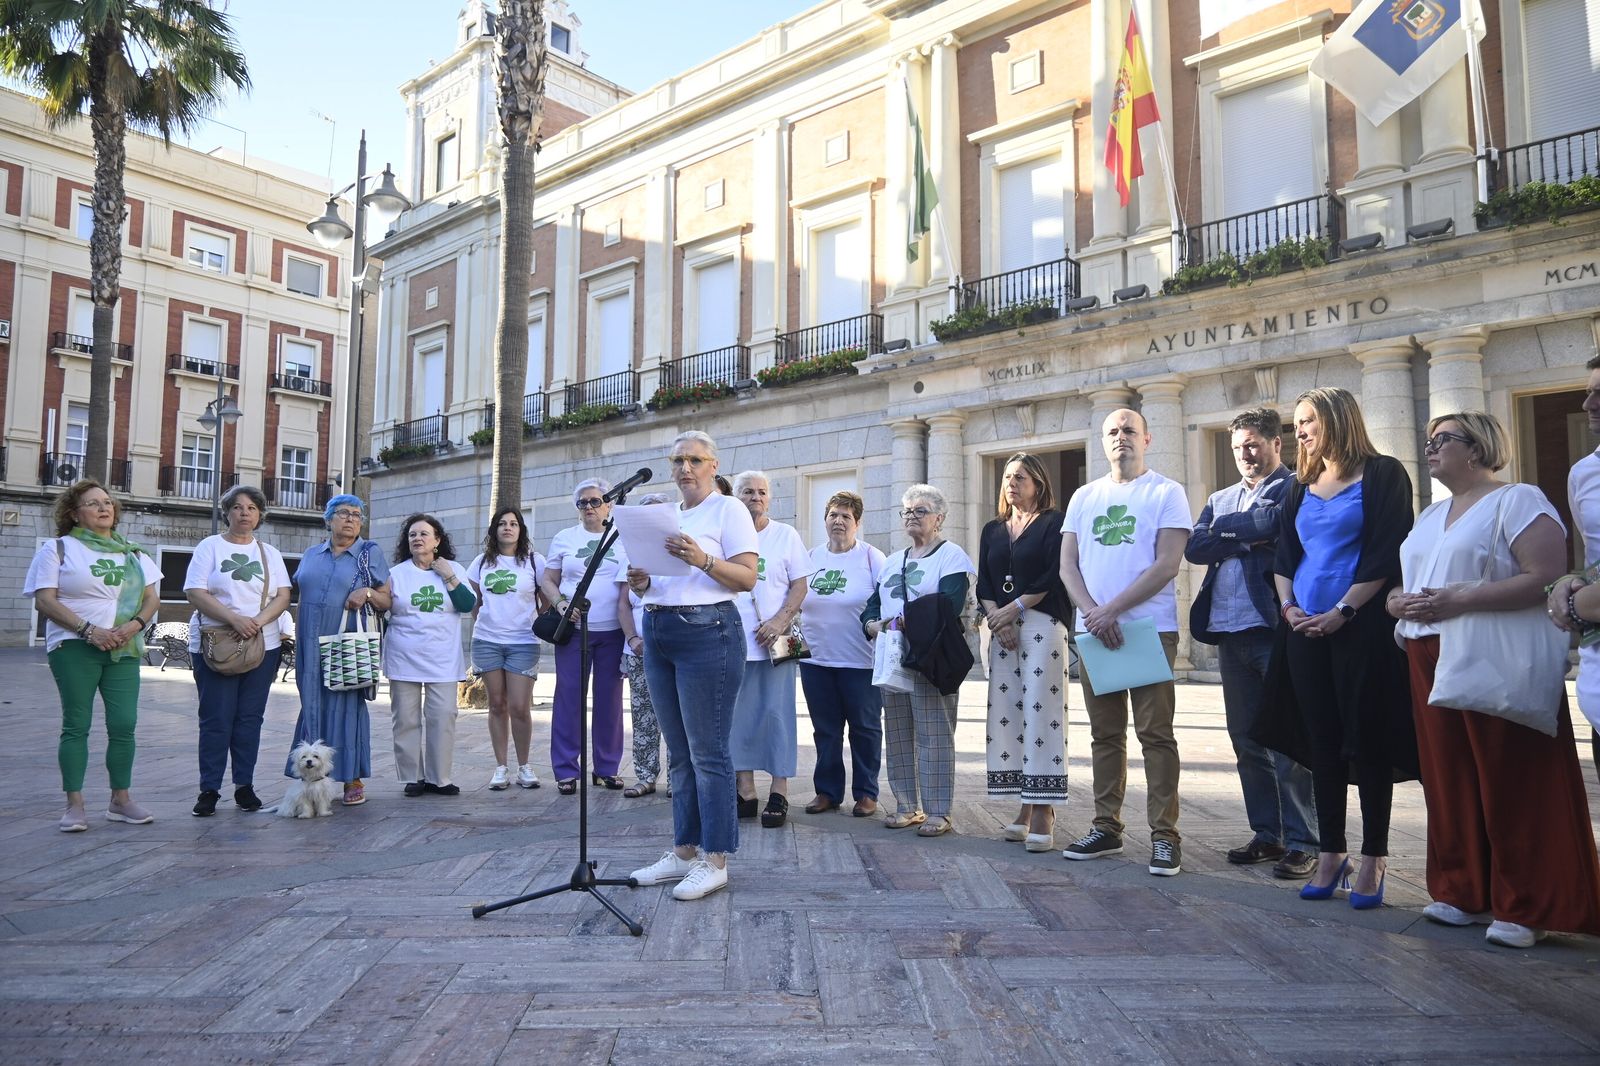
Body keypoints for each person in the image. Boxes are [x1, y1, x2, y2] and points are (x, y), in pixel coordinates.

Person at [1393, 411, 1600, 948]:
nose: (1431, 447)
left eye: (1443, 439)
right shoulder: (1430, 513)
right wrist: (1396, 601)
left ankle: (1528, 904)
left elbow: (1547, 577)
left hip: (1492, 653)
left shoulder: (1519, 499)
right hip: (1425, 652)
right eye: (1428, 439)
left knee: (1512, 776)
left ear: (1478, 447)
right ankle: (1462, 890)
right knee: (1448, 778)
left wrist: (1462, 599)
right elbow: (1412, 581)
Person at [1262, 386, 1416, 909]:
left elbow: (1388, 550)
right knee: (1320, 743)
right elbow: (1285, 555)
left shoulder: (1384, 474)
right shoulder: (1299, 485)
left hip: (1362, 627)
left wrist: (1343, 612)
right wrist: (1289, 609)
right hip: (1303, 628)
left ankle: (1373, 858)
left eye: (1308, 420)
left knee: (1367, 742)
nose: (1299, 430)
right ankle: (1331, 853)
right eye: (1297, 422)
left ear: (1337, 418)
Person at [626, 431, 759, 901]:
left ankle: (716, 858)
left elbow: (747, 577)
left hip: (709, 632)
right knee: (679, 754)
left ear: (713, 465)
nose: (685, 468)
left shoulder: (729, 509)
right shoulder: (668, 515)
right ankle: (684, 851)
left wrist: (703, 559)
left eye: (695, 460)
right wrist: (642, 583)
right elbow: (661, 581)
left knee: (708, 752)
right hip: (658, 628)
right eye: (678, 460)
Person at [1186, 408, 1318, 879]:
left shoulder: (1294, 487)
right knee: (1246, 740)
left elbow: (1271, 527)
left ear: (1276, 444)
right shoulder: (1220, 497)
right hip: (1228, 632)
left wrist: (1228, 532)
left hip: (1273, 629)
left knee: (1288, 739)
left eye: (1253, 445)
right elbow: (1195, 547)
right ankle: (1268, 833)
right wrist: (1242, 535)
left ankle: (1304, 841)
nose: (1244, 454)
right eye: (1238, 447)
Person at [1058, 409, 1190, 876]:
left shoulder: (1166, 492)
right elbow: (1067, 565)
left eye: (1129, 430)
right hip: (1096, 632)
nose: (1121, 437)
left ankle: (1165, 836)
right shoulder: (1084, 496)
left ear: (1147, 438)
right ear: (1102, 441)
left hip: (1147, 630)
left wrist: (1110, 610)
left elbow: (1167, 564)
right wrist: (1093, 613)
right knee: (1105, 735)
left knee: (1156, 735)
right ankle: (1106, 827)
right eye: (1112, 431)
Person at [24, 479, 162, 831]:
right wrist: (88, 630)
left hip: (124, 647)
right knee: (77, 724)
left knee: (124, 725)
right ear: (73, 513)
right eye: (93, 503)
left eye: (107, 502)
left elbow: (151, 599)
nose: (104, 507)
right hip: (74, 647)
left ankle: (121, 800)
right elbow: (45, 600)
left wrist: (134, 625)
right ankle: (75, 805)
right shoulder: (58, 549)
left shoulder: (133, 553)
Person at [862, 484, 976, 838]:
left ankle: (938, 811)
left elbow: (950, 602)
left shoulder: (951, 556)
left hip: (930, 656)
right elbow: (873, 603)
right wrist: (872, 623)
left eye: (921, 510)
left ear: (939, 518)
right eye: (907, 511)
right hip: (892, 655)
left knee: (934, 734)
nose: (912, 516)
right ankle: (906, 806)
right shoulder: (892, 561)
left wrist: (902, 620)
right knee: (897, 734)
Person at [977, 453, 1069, 851]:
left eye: (1021, 477)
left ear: (1039, 484)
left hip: (1042, 622)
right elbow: (984, 581)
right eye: (1008, 477)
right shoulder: (993, 529)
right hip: (1002, 629)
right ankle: (1024, 804)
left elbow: (1053, 574)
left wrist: (1014, 610)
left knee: (1041, 713)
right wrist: (997, 619)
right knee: (1008, 713)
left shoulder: (1053, 523)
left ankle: (1044, 808)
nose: (1012, 484)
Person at [184, 485, 292, 816]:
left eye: (252, 508)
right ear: (227, 512)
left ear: (260, 516)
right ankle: (209, 789)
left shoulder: (270, 553)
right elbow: (195, 591)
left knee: (249, 719)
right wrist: (234, 619)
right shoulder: (210, 547)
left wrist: (256, 622)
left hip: (263, 645)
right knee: (216, 718)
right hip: (216, 643)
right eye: (238, 507)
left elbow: (283, 596)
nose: (245, 513)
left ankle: (244, 785)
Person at [285, 494, 392, 805]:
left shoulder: (369, 553)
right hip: (309, 642)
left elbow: (387, 600)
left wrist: (367, 592)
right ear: (329, 519)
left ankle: (351, 777)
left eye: (357, 515)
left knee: (347, 706)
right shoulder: (311, 554)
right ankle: (312, 780)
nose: (350, 519)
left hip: (346, 644)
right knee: (312, 704)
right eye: (344, 513)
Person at [730, 470, 814, 828]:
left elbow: (800, 585)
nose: (756, 498)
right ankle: (746, 789)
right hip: (734, 641)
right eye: (748, 491)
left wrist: (780, 620)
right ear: (735, 497)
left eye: (762, 492)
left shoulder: (785, 535)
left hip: (779, 639)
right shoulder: (726, 536)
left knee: (778, 715)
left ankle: (779, 790)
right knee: (738, 718)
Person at [799, 490, 886, 818]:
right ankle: (827, 792)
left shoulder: (872, 558)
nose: (838, 521)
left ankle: (866, 793)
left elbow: (886, 601)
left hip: (860, 662)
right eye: (833, 515)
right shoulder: (810, 557)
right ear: (825, 520)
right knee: (825, 730)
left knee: (865, 728)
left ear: (857, 523)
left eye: (846, 516)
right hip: (815, 661)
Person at [541, 479, 626, 794]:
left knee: (610, 701)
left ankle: (606, 768)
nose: (589, 507)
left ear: (609, 504)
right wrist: (561, 605)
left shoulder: (623, 536)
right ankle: (565, 770)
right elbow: (548, 580)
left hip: (613, 632)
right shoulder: (565, 538)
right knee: (568, 698)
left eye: (595, 500)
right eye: (583, 502)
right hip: (575, 632)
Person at [384, 513, 475, 796]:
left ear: (437, 540)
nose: (417, 538)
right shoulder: (396, 574)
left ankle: (439, 778)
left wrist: (448, 576)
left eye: (424, 534)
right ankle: (413, 777)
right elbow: (385, 609)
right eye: (412, 534)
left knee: (443, 716)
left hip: (442, 659)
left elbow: (467, 604)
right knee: (406, 720)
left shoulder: (454, 568)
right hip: (403, 657)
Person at [466, 507, 547, 791]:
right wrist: (485, 620)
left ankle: (524, 766)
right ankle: (501, 767)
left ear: (521, 529)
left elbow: (547, 595)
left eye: (513, 523)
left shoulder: (534, 561)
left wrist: (537, 619)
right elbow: (473, 599)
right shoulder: (481, 562)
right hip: (487, 641)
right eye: (502, 523)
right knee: (497, 704)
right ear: (494, 530)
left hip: (523, 642)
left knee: (519, 706)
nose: (508, 528)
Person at [1548, 353, 1600, 778]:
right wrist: (1571, 580)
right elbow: (1591, 561)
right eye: (1588, 392)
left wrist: (1578, 604)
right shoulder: (1583, 473)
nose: (1588, 404)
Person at [615, 491, 673, 798]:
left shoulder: (679, 548)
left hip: (675, 646)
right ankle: (646, 776)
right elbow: (623, 604)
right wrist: (633, 638)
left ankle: (677, 780)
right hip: (639, 650)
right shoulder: (630, 553)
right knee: (643, 716)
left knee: (677, 717)